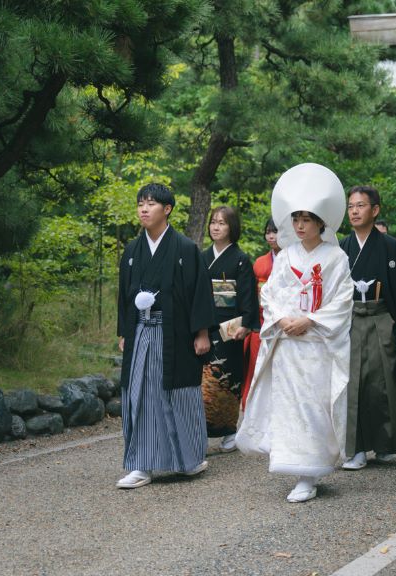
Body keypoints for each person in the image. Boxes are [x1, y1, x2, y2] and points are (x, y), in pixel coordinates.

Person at [236, 162, 353, 503]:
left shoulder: (336, 258)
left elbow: (342, 300)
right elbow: (270, 294)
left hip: (317, 344)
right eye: (296, 219)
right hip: (289, 344)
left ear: (321, 223)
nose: (300, 226)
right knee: (290, 406)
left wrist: (311, 320)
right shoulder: (286, 257)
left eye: (307, 220)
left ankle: (311, 472)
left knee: (313, 406)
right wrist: (283, 318)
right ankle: (298, 469)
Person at [115, 182, 217, 489]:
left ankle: (188, 460)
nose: (144, 209)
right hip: (140, 331)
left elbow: (200, 293)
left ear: (167, 209)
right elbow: (124, 295)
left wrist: (201, 333)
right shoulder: (133, 251)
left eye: (151, 204)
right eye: (140, 204)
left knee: (178, 394)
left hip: (175, 335)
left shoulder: (185, 248)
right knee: (139, 395)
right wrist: (124, 332)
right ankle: (141, 464)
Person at [340, 185, 396, 469]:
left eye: (361, 205)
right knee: (353, 384)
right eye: (351, 206)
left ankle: (385, 443)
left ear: (375, 210)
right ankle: (356, 448)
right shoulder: (341, 248)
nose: (355, 211)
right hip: (349, 320)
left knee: (383, 383)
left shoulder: (391, 247)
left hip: (382, 318)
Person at [201, 206, 259, 452]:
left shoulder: (240, 259)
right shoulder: (202, 257)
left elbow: (247, 296)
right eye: (213, 222)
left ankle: (228, 432)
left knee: (226, 380)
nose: (216, 227)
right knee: (201, 382)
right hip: (204, 323)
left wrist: (246, 324)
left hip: (230, 326)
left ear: (232, 228)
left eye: (222, 223)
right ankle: (199, 432)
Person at [243, 218, 281, 406]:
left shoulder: (293, 259)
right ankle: (251, 405)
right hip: (261, 322)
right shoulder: (260, 263)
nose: (271, 236)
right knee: (256, 368)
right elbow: (251, 296)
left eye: (275, 231)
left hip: (284, 323)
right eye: (268, 232)